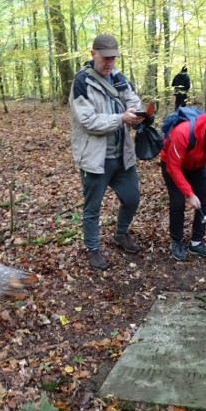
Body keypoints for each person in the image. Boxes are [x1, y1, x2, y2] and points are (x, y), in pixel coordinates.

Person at [69, 34, 146, 271]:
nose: (109, 63)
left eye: (113, 58)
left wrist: (137, 114)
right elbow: (88, 120)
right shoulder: (82, 82)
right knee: (92, 208)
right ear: (93, 54)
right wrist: (121, 118)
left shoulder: (120, 79)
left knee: (132, 199)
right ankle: (93, 249)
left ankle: (120, 235)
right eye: (105, 58)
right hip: (95, 159)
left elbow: (134, 100)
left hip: (123, 156)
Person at [161, 114, 206, 261]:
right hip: (172, 164)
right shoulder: (183, 133)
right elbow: (173, 167)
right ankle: (176, 241)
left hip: (197, 166)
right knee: (178, 202)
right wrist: (189, 193)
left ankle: (196, 242)